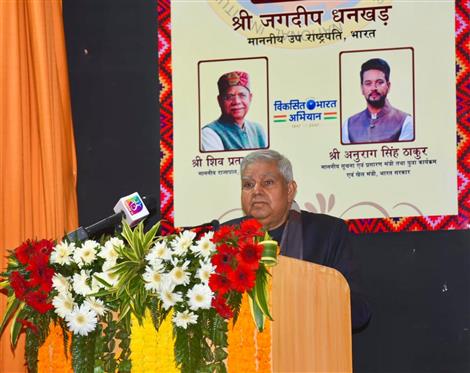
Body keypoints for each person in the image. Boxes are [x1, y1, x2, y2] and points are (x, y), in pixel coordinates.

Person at [225, 149, 371, 331]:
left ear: (290, 190)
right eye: (248, 184)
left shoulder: (327, 233)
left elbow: (359, 311)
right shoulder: (226, 236)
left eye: (268, 182)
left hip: (309, 349)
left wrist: (305, 296)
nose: (256, 191)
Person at [342, 58, 414, 144]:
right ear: (362, 88)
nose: (373, 88)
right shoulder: (349, 125)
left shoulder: (406, 122)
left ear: (388, 86)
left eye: (379, 82)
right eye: (368, 83)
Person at [201, 71, 267, 151]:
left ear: (250, 98)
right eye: (229, 97)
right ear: (219, 101)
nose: (236, 101)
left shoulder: (258, 130)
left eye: (242, 95)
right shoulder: (209, 133)